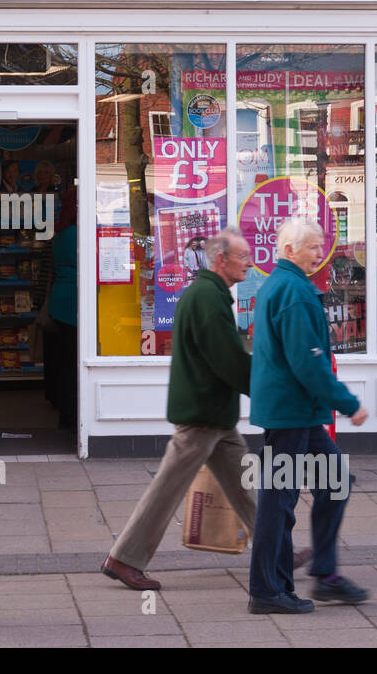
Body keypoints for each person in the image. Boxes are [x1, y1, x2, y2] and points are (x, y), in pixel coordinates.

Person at [102, 228, 264, 591]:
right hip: (202, 415)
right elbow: (227, 359)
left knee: (244, 485)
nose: (249, 262)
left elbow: (225, 357)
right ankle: (123, 558)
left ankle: (276, 548)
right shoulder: (208, 297)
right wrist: (266, 390)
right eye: (242, 256)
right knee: (167, 489)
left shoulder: (210, 292)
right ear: (221, 260)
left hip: (214, 415)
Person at [247, 215, 369, 615]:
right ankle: (267, 591)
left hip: (296, 413)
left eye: (322, 244)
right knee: (277, 502)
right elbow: (308, 364)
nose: (322, 252)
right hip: (291, 415)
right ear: (288, 251)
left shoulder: (282, 286)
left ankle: (325, 574)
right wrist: (350, 404)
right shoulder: (294, 292)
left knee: (335, 482)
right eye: (313, 246)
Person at [37, 189, 77, 429]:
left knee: (63, 361)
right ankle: (73, 414)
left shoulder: (60, 235)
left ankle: (65, 410)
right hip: (76, 302)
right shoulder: (82, 234)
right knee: (74, 361)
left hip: (59, 302)